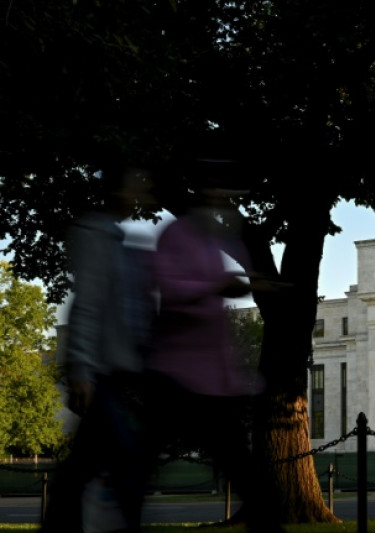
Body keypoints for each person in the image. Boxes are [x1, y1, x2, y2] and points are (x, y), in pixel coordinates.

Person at [140, 157, 285, 533]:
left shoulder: (216, 241)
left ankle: (268, 525)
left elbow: (218, 309)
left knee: (242, 467)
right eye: (220, 195)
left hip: (212, 381)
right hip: (176, 374)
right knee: (140, 462)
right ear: (206, 195)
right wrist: (219, 286)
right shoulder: (177, 235)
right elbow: (169, 287)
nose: (225, 203)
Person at [41, 164, 155, 533]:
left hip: (115, 372)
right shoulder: (95, 235)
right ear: (118, 191)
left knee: (84, 468)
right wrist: (81, 369)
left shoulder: (120, 240)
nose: (139, 196)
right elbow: (88, 304)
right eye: (134, 187)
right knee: (126, 465)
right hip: (99, 373)